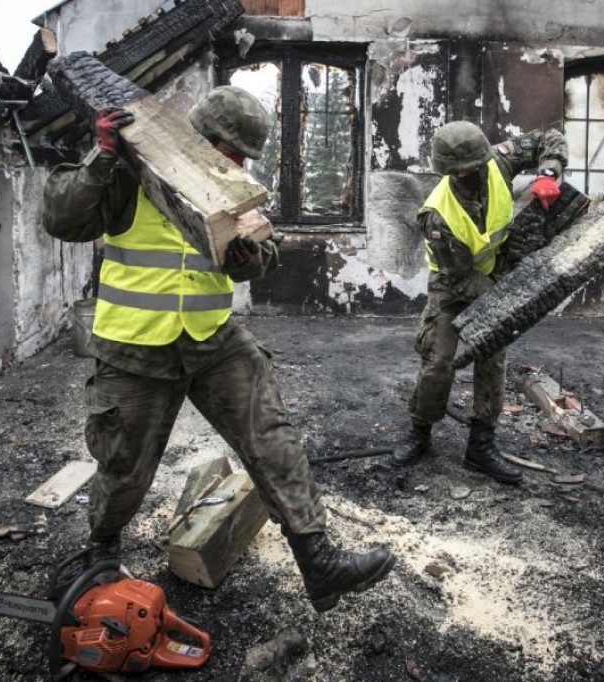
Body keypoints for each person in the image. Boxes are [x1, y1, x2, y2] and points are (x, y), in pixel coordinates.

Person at [42, 86, 395, 612]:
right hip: (136, 346)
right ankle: (101, 553)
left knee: (272, 435)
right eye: (226, 150)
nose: (234, 162)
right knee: (123, 467)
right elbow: (62, 220)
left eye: (241, 156)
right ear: (196, 139)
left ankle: (317, 561)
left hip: (213, 338)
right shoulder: (124, 173)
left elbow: (259, 256)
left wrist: (250, 254)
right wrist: (102, 157)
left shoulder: (234, 186)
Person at [391, 121, 568, 483]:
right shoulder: (437, 214)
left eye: (475, 169)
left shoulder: (498, 162)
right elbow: (460, 277)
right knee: (439, 361)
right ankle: (420, 432)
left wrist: (549, 173)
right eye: (462, 174)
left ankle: (481, 445)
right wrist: (507, 301)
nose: (472, 176)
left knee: (493, 355)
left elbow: (548, 137)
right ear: (450, 173)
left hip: (494, 271)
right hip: (452, 284)